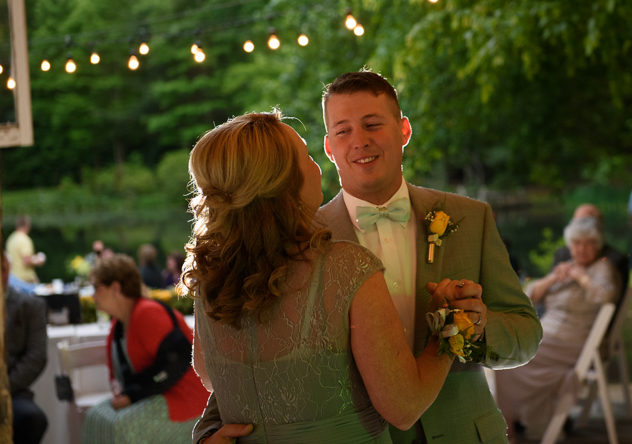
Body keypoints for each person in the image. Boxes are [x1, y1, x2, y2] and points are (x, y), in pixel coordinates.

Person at [193, 71, 542, 444]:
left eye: (372, 124)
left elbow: (526, 334)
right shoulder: (292, 246)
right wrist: (209, 432)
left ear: (404, 130)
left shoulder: (471, 218)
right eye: (343, 131)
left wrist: (477, 327)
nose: (360, 141)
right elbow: (254, 366)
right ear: (328, 148)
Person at [185, 111, 458, 444]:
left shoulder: (209, 281)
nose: (318, 167)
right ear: (285, 184)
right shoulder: (347, 268)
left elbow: (210, 377)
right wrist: (447, 328)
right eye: (307, 156)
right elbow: (404, 407)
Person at [494, 218, 621, 442]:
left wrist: (581, 277)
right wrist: (554, 276)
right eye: (576, 243)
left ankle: (508, 432)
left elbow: (606, 296)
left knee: (503, 362)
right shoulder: (569, 267)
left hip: (571, 341)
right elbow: (527, 296)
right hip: (547, 335)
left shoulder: (602, 268)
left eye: (587, 243)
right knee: (502, 357)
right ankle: (513, 428)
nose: (581, 248)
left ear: (598, 244)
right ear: (570, 245)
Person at [82, 254, 209, 444]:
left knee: (123, 426)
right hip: (156, 395)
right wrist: (120, 390)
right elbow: (117, 374)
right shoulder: (118, 326)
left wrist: (132, 395)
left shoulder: (147, 313)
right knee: (95, 417)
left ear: (115, 287)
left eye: (96, 288)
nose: (92, 296)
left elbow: (179, 359)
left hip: (186, 399)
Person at [3, 252, 49, 444]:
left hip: (13, 391)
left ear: (7, 269)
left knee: (32, 419)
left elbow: (36, 357)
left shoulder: (30, 306)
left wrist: (4, 389)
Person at [552, 204, 629, 298]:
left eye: (586, 223)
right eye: (577, 223)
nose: (581, 249)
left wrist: (581, 277)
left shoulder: (613, 260)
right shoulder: (563, 253)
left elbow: (609, 297)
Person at [6, 216, 45, 287]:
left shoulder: (11, 238)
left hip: (13, 279)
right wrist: (38, 260)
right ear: (27, 225)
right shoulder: (25, 240)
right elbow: (26, 260)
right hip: (25, 279)